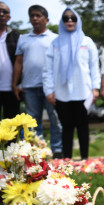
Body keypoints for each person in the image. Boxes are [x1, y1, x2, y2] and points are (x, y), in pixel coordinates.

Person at [43, 7, 100, 160]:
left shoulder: (86, 41)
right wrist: (49, 90)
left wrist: (96, 88)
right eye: (66, 18)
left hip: (83, 92)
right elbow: (47, 69)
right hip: (61, 93)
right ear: (62, 21)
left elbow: (94, 66)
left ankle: (84, 160)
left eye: (73, 18)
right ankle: (67, 161)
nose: (69, 21)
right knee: (66, 128)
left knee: (83, 127)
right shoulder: (55, 43)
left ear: (78, 20)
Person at [12, 5, 63, 157]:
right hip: (29, 87)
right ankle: (35, 153)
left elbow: (60, 63)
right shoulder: (23, 39)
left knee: (55, 120)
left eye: (38, 15)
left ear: (46, 19)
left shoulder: (55, 38)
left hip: (51, 88)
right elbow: (18, 62)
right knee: (33, 123)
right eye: (32, 16)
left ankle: (57, 150)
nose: (34, 18)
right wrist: (14, 84)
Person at [0, 1, 20, 120]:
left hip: (11, 89)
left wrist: (18, 84)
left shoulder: (16, 36)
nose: (1, 14)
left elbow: (21, 62)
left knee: (12, 126)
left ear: (9, 17)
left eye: (5, 12)